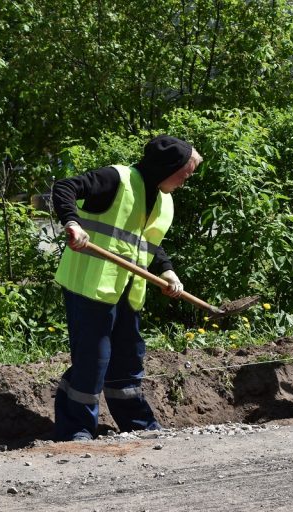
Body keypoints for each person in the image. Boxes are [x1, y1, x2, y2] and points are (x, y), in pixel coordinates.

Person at [51, 134, 203, 441]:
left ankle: (138, 424)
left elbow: (148, 244)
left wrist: (169, 271)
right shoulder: (116, 179)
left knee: (128, 358)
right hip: (89, 286)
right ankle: (76, 430)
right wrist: (72, 222)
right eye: (184, 174)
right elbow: (64, 187)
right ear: (168, 167)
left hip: (127, 292)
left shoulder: (162, 199)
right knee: (93, 360)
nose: (185, 182)